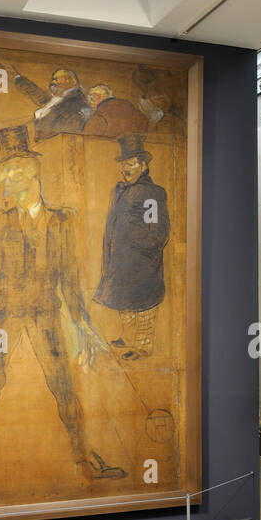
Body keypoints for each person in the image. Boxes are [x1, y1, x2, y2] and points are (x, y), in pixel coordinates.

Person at [0, 125, 126, 482]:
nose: (6, 178)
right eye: (5, 171)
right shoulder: (3, 222)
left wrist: (82, 321)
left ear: (30, 174)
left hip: (45, 315)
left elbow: (69, 276)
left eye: (13, 171)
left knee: (63, 383)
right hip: (7, 313)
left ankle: (84, 453)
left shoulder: (61, 221)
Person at [94, 135, 170, 360]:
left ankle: (142, 348)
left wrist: (140, 250)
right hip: (121, 261)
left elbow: (158, 230)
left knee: (143, 305)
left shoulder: (151, 193)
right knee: (124, 302)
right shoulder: (120, 191)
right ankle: (127, 340)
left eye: (131, 163)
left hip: (142, 263)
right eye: (123, 164)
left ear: (144, 166)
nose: (125, 169)